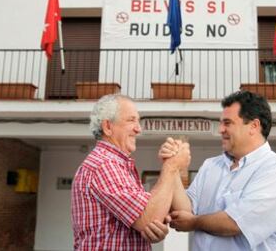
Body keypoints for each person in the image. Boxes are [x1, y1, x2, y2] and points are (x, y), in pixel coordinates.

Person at [158, 90, 276, 251]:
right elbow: (184, 211)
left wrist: (194, 222)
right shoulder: (210, 166)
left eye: (228, 123)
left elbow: (234, 223)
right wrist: (173, 167)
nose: (221, 130)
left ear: (254, 126)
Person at [71, 94, 190, 250]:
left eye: (138, 121)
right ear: (107, 127)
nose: (138, 128)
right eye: (131, 120)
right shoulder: (104, 165)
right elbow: (149, 218)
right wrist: (171, 166)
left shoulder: (117, 165)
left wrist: (170, 162)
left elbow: (184, 213)